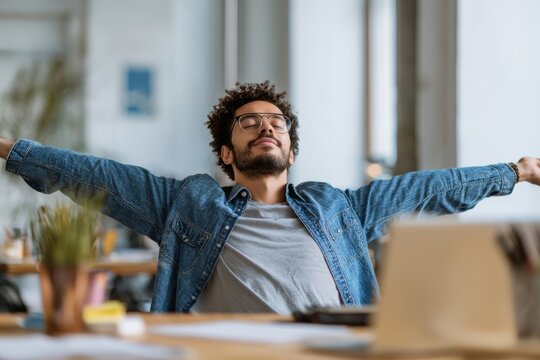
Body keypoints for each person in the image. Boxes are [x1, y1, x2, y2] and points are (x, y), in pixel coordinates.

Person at [0, 81, 539, 314]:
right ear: (226, 153)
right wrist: (8, 149)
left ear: (290, 147)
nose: (266, 127)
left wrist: (515, 171)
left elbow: (428, 190)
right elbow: (94, 174)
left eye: (276, 123)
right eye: (249, 122)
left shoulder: (339, 209)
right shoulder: (189, 205)